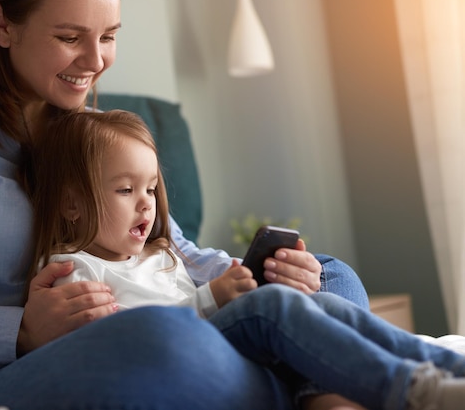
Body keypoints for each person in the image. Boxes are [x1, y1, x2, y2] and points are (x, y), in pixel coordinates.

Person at [0, 0, 370, 409]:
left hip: (161, 324)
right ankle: (326, 379)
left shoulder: (95, 136)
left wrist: (257, 273)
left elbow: (168, 247)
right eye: (70, 37)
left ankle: (319, 392)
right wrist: (18, 332)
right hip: (3, 375)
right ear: (2, 25)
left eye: (109, 36)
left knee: (328, 272)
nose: (95, 62)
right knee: (160, 338)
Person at [24, 108, 465, 410]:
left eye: (151, 189)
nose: (146, 205)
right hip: (177, 347)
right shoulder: (73, 269)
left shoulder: (161, 251)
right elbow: (124, 339)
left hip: (221, 339)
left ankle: (449, 369)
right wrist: (213, 299)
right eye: (125, 190)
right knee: (272, 309)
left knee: (323, 298)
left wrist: (245, 277)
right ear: (72, 205)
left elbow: (204, 272)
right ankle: (410, 390)